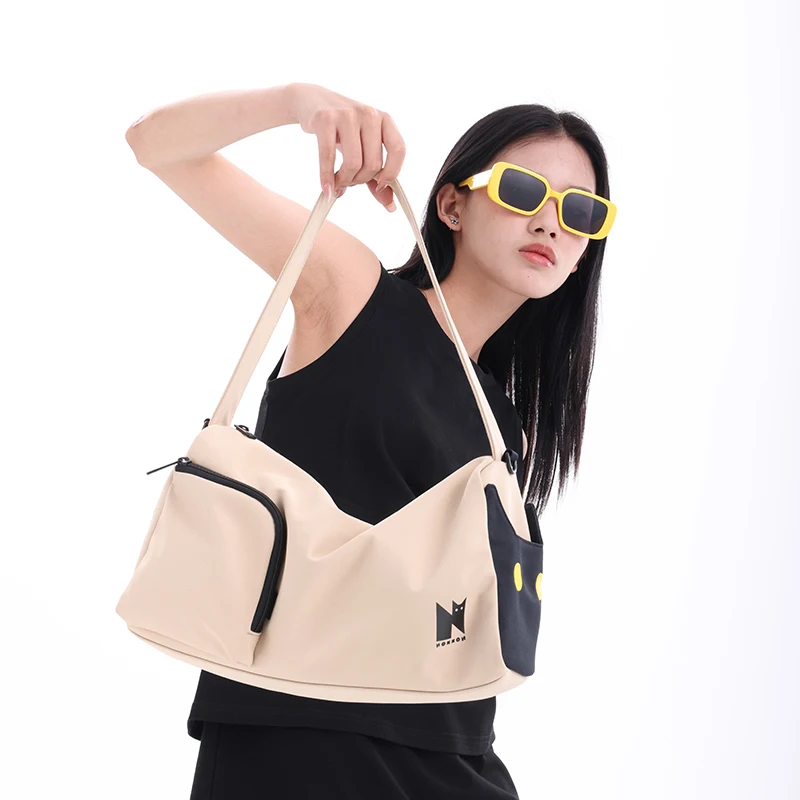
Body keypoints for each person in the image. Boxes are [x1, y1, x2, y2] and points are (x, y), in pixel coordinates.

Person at [125, 81, 615, 799]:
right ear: (452, 205)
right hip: (297, 742)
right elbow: (155, 145)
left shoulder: (501, 424)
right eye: (522, 190)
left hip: (452, 758)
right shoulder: (353, 293)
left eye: (581, 211)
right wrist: (296, 102)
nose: (550, 222)